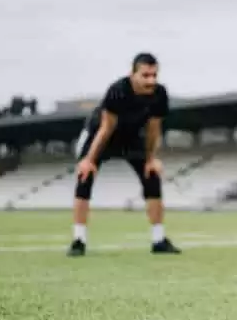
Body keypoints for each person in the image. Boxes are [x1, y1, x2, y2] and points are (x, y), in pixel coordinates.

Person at [68, 52, 181, 256]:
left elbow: (154, 129)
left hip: (130, 137)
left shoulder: (159, 94)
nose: (151, 80)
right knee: (85, 177)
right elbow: (106, 128)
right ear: (133, 74)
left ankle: (159, 240)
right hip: (100, 134)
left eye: (154, 75)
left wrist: (150, 159)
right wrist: (89, 160)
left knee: (152, 177)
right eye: (146, 75)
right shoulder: (118, 90)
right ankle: (78, 240)